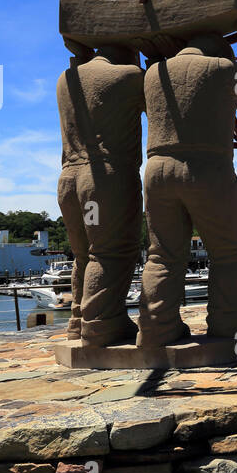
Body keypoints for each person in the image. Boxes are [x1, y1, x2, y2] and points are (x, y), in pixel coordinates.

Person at [137, 3, 237, 345]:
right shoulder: (222, 69)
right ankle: (229, 328)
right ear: (221, 50)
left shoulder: (153, 74)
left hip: (156, 169)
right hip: (206, 167)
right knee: (229, 253)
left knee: (162, 253)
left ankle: (155, 329)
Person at [55, 43, 144, 346]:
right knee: (110, 251)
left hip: (69, 179)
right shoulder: (130, 76)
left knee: (84, 254)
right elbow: (165, 106)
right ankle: (101, 326)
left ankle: (78, 321)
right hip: (104, 177)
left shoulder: (65, 79)